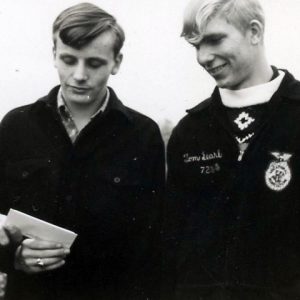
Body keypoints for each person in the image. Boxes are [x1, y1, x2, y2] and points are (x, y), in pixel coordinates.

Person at [0, 3, 165, 299]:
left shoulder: (143, 135)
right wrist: (13, 257)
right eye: (68, 59)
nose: (79, 75)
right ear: (54, 55)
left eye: (94, 63)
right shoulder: (15, 126)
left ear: (117, 62)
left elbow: (152, 244)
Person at [163, 0, 300, 299]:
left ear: (254, 31)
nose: (203, 57)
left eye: (214, 40)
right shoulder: (189, 130)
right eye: (196, 46)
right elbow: (172, 240)